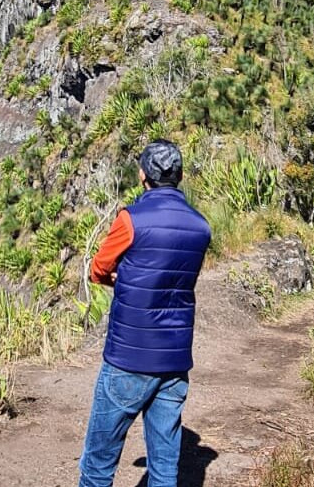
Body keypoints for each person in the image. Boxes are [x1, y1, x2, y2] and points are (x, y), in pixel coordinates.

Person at [79, 139, 211, 487]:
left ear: (143, 175)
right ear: (180, 176)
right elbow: (175, 278)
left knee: (98, 466)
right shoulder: (201, 227)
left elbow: (97, 269)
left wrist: (124, 281)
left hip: (128, 357)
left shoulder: (131, 220)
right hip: (174, 361)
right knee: (165, 471)